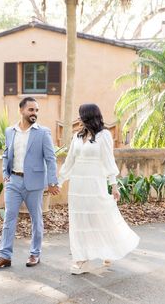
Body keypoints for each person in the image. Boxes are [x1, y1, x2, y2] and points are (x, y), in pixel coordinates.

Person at [58, 103, 140, 275]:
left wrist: (114, 185)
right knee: (79, 222)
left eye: (81, 115)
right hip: (78, 186)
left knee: (100, 219)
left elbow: (108, 161)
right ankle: (82, 260)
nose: (78, 118)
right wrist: (59, 182)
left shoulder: (104, 136)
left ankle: (109, 249)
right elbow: (70, 160)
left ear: (89, 116)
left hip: (95, 184)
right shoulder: (77, 136)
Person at [0, 97, 60, 269]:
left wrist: (52, 182)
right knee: (9, 219)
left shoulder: (43, 132)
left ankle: (35, 254)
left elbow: (50, 159)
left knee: (36, 219)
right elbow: (6, 153)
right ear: (21, 110)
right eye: (31, 110)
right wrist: (5, 173)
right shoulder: (9, 131)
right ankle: (4, 256)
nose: (34, 113)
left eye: (36, 110)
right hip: (13, 181)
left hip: (34, 182)